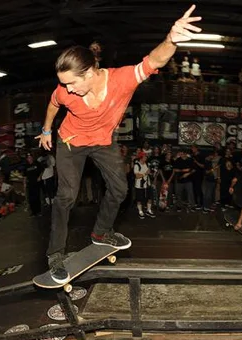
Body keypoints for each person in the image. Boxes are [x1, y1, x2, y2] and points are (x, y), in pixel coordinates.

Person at [35, 5, 203, 283]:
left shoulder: (121, 80)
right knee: (66, 196)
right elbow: (53, 105)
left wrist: (171, 39)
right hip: (70, 141)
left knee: (120, 188)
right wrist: (46, 130)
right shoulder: (63, 92)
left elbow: (154, 61)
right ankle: (55, 253)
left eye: (71, 83)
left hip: (102, 141)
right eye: (62, 84)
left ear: (89, 73)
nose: (66, 90)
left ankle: (101, 232)